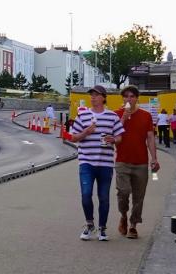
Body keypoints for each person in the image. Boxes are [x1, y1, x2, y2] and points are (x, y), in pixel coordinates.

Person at [69, 85, 124, 242]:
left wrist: (113, 139)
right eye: (91, 95)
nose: (93, 97)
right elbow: (72, 137)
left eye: (96, 95)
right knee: (86, 195)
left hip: (105, 163)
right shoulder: (83, 116)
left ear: (103, 97)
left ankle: (102, 228)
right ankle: (89, 224)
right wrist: (86, 132)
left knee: (104, 197)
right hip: (86, 161)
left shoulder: (112, 116)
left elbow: (120, 136)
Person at [114, 85, 159, 240]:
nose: (129, 99)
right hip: (122, 161)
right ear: (122, 98)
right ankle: (123, 215)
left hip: (140, 162)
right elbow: (114, 136)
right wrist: (123, 118)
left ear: (137, 98)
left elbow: (150, 138)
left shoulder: (145, 116)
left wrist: (154, 158)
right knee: (123, 192)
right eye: (126, 96)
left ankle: (133, 225)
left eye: (132, 96)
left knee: (139, 196)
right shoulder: (116, 114)